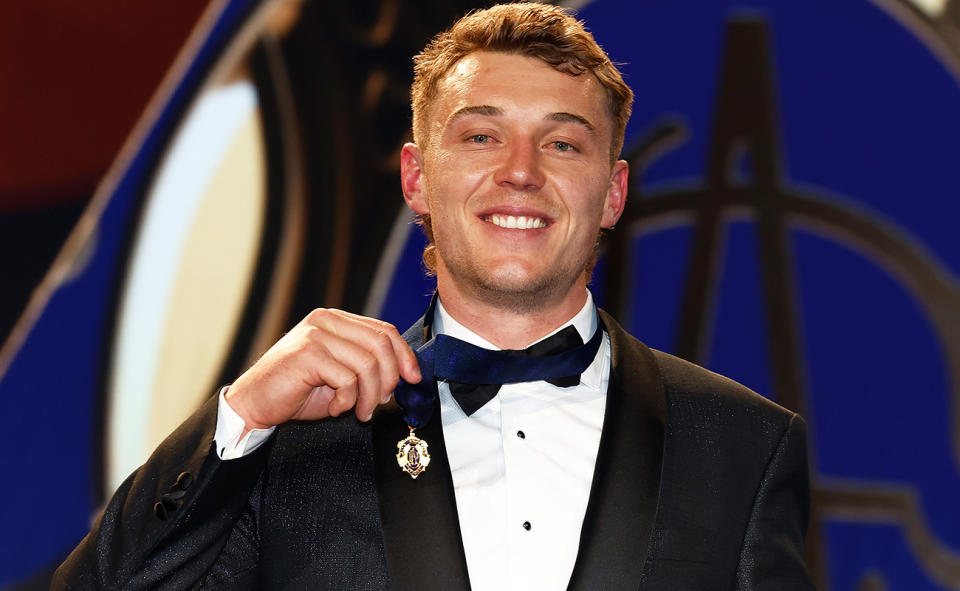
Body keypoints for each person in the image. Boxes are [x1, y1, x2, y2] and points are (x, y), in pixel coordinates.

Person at [53, 3, 812, 590]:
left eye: (563, 142)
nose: (521, 170)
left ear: (612, 193)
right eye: (481, 136)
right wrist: (241, 417)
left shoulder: (743, 443)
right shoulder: (290, 440)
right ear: (417, 177)